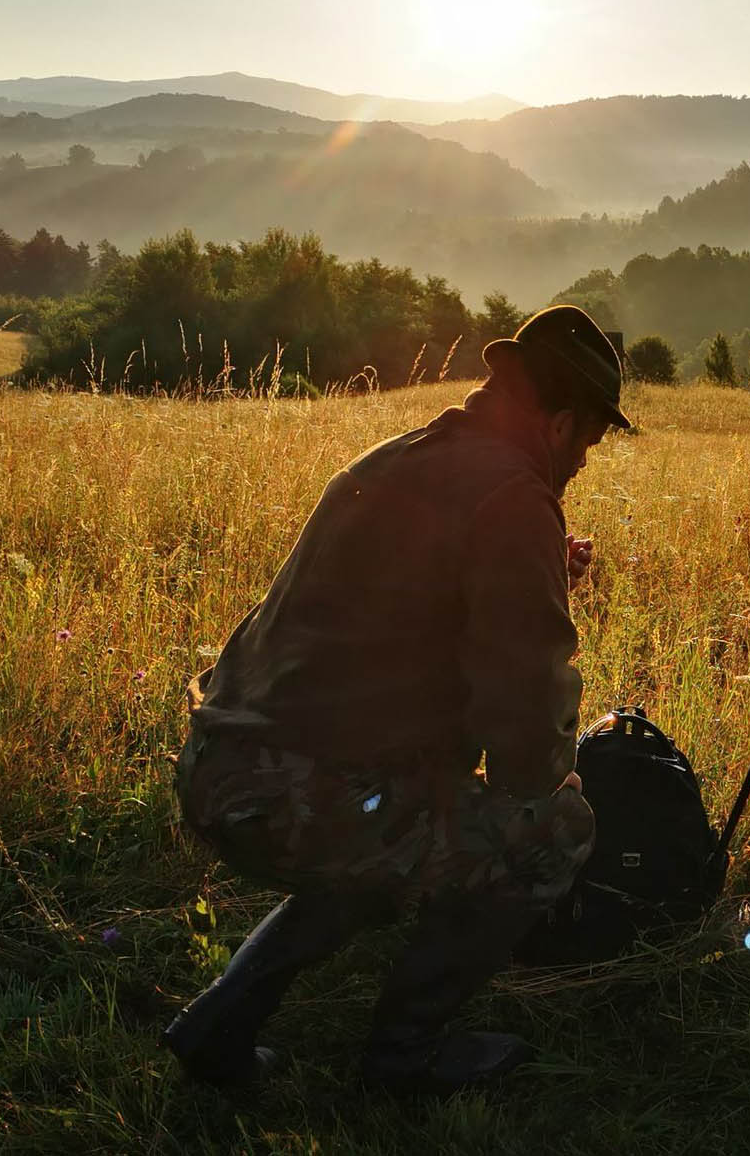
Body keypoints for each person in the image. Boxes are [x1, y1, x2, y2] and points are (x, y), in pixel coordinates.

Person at [162, 304, 627, 1096]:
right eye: (587, 439)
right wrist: (553, 781)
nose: (583, 461)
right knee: (552, 827)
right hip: (303, 792)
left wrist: (539, 571)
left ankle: (218, 1025)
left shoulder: (400, 456)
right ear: (557, 422)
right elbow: (524, 731)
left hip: (222, 765)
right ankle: (405, 1062)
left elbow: (403, 619)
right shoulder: (513, 496)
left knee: (389, 831)